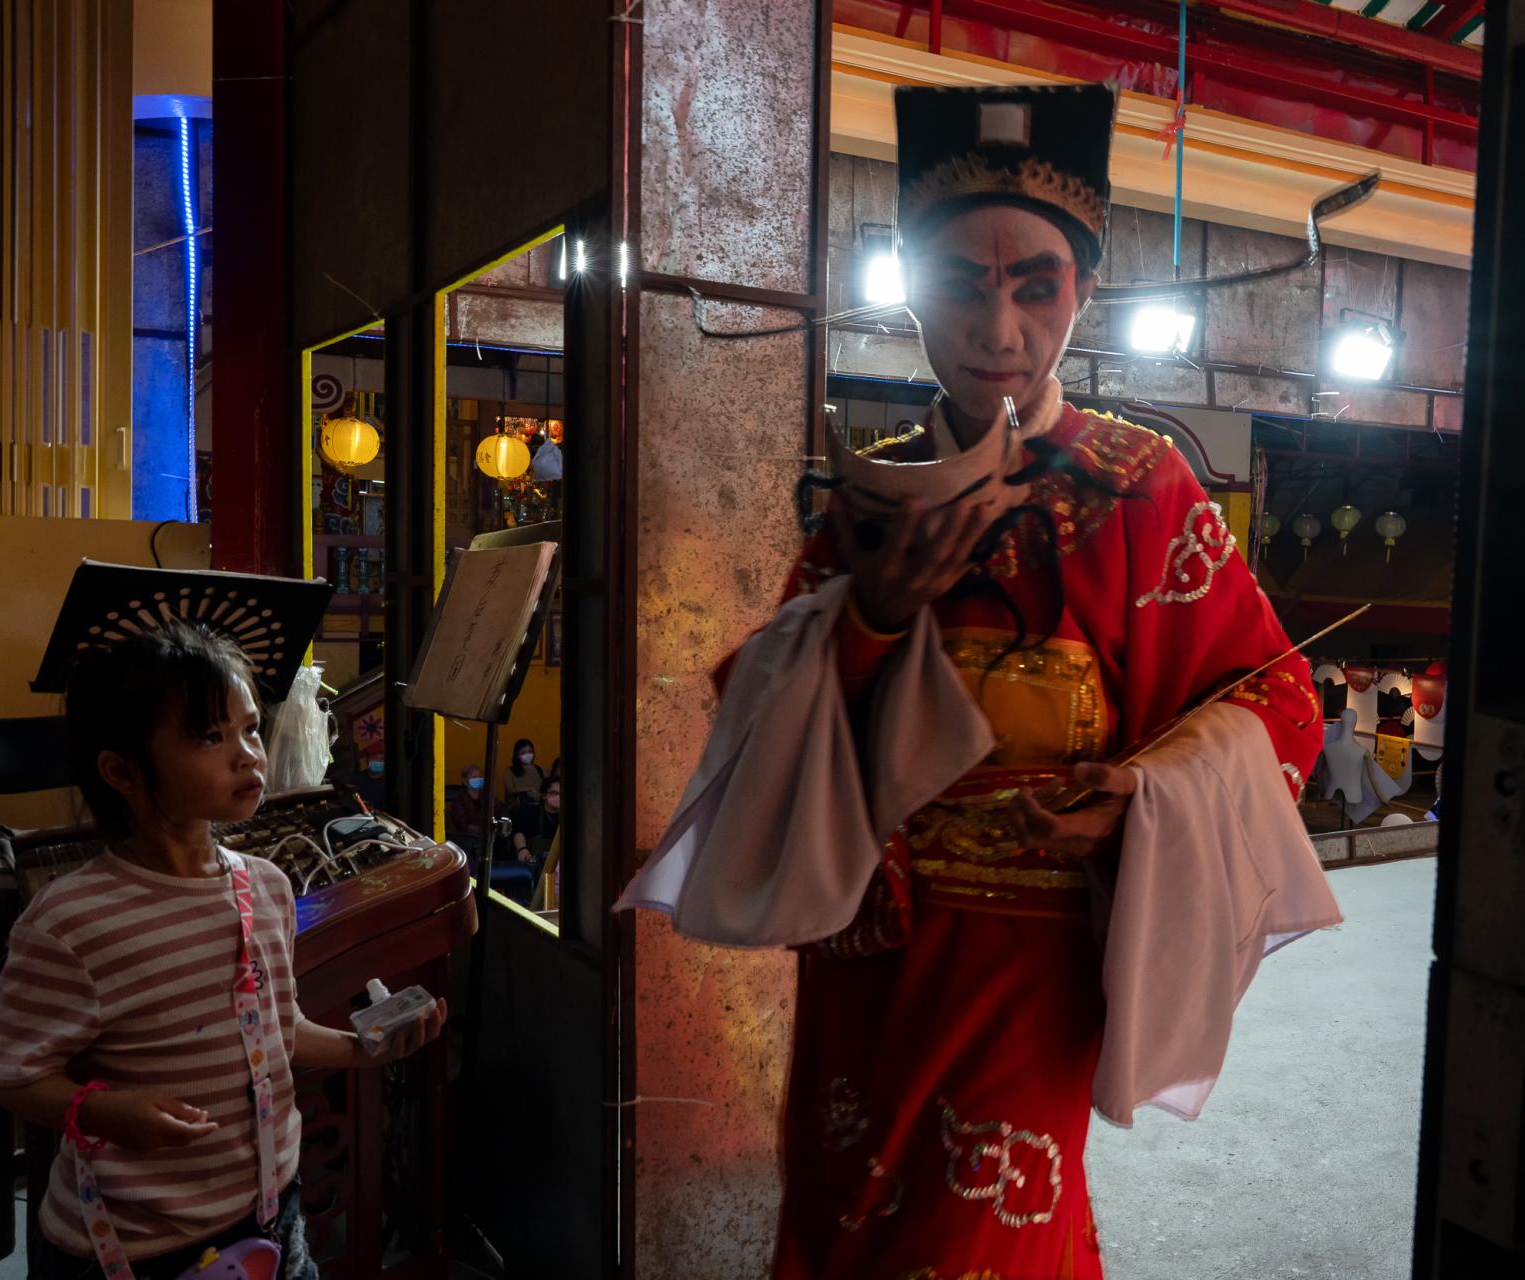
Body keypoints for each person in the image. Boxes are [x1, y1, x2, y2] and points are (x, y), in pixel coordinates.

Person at [619, 83, 1340, 1279]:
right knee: (851, 1214)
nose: (997, 326)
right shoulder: (868, 499)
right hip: (871, 949)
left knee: (977, 1237)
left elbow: (1276, 695)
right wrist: (875, 614)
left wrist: (1146, 791)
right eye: (961, 282)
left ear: (1083, 295)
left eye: (1034, 286)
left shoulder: (1139, 485)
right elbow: (758, 732)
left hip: (1031, 960)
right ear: (909, 288)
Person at [0, 621, 447, 1280]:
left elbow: (275, 1031)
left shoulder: (268, 888)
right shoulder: (71, 922)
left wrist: (360, 1047)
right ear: (122, 769)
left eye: (251, 728)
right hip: (132, 1247)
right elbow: (10, 1073)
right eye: (210, 736)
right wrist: (100, 1110)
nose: (248, 755)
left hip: (269, 1219)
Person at [510, 773, 561, 876]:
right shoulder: (530, 812)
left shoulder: (571, 817)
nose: (558, 797)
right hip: (534, 864)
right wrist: (522, 850)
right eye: (553, 793)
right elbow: (518, 832)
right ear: (543, 795)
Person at [447, 763, 487, 859]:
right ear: (465, 781)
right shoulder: (460, 799)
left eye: (479, 776)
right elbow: (460, 823)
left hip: (486, 834)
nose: (478, 779)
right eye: (474, 777)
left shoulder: (485, 796)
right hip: (467, 838)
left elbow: (497, 810)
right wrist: (477, 829)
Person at [503, 738, 543, 810]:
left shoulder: (539, 770)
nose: (528, 755)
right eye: (523, 752)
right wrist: (530, 789)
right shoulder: (510, 770)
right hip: (518, 809)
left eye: (530, 751)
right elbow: (511, 789)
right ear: (517, 755)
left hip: (538, 808)